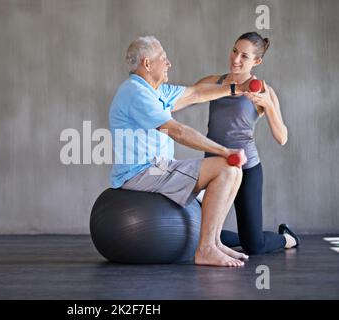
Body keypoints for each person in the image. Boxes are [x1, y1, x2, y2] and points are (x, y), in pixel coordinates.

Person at [109, 36, 255, 267]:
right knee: (226, 168)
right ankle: (205, 249)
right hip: (141, 173)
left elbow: (196, 93)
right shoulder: (136, 93)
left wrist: (237, 88)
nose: (169, 64)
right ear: (147, 64)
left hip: (158, 168)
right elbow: (177, 131)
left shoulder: (157, 91)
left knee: (233, 170)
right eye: (163, 59)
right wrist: (224, 151)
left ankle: (214, 243)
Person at [194, 32, 300, 254]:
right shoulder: (215, 82)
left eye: (244, 56)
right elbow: (184, 96)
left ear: (256, 62)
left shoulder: (263, 91)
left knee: (253, 245)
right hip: (213, 167)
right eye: (234, 51)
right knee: (199, 231)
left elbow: (282, 138)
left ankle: (287, 239)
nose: (236, 59)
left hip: (246, 168)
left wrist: (268, 105)